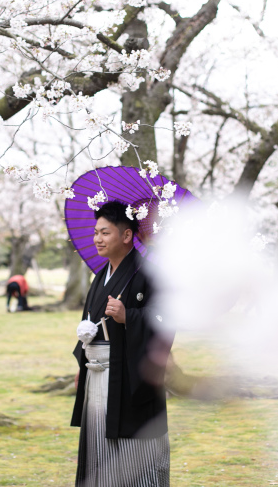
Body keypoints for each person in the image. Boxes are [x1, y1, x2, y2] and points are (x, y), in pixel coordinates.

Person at [71, 200, 171, 487]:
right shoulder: (100, 276)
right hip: (97, 371)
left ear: (127, 235)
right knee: (98, 442)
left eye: (105, 233)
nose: (97, 239)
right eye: (95, 232)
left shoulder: (149, 274)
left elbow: (167, 319)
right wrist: (84, 364)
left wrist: (130, 316)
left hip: (130, 375)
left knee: (134, 449)